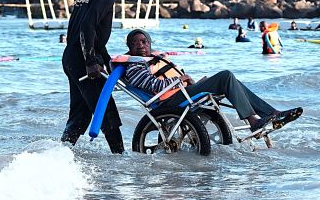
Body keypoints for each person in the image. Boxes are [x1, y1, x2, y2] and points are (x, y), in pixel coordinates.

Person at [122, 29, 301, 133]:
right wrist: (180, 79)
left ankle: (272, 113)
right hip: (168, 100)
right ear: (129, 47)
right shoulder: (134, 66)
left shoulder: (152, 59)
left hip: (180, 91)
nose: (141, 45)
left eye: (144, 41)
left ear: (149, 43)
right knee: (225, 76)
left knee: (232, 81)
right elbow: (154, 86)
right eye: (135, 43)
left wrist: (187, 81)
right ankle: (254, 120)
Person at [60, 0, 124, 152]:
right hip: (82, 58)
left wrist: (105, 59)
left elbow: (89, 30)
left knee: (80, 113)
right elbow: (88, 26)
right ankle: (120, 156)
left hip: (71, 56)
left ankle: (62, 153)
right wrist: (91, 61)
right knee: (106, 109)